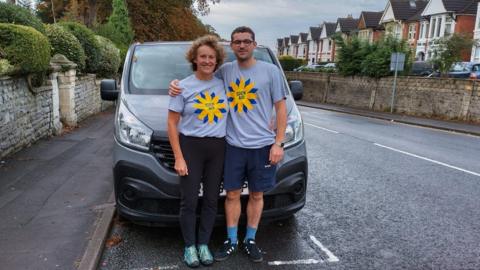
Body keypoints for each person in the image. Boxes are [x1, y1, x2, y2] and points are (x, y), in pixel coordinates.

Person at [170, 26, 287, 263]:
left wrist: (279, 142)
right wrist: (173, 84)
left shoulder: (271, 71)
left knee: (256, 194)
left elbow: (281, 108)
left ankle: (250, 239)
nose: (242, 45)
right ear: (232, 46)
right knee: (231, 194)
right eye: (237, 42)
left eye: (246, 41)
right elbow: (197, 80)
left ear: (254, 44)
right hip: (232, 144)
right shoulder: (225, 72)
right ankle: (230, 241)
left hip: (262, 145)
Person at [167, 35, 228, 268]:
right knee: (189, 201)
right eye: (203, 56)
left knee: (212, 200)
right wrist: (179, 157)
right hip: (191, 147)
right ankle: (190, 247)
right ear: (194, 58)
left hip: (218, 148)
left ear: (217, 60)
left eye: (211, 57)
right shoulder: (181, 87)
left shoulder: (224, 83)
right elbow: (172, 123)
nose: (207, 60)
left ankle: (204, 244)